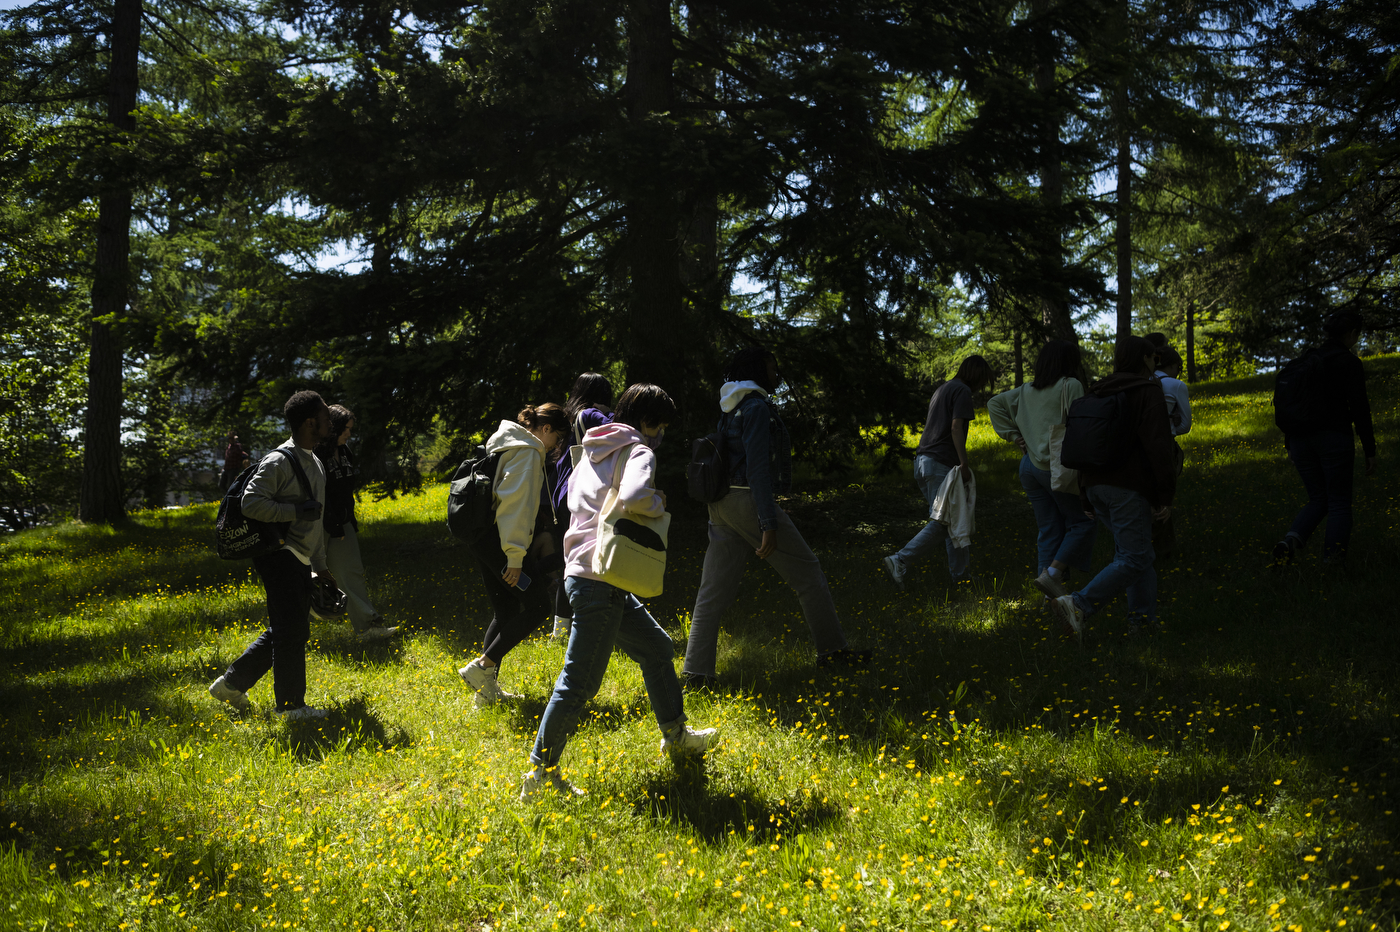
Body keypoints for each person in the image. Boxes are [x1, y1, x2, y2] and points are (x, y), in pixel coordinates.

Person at [522, 383, 720, 798]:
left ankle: (675, 736)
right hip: (603, 578)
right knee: (578, 682)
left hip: (583, 572)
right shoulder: (639, 450)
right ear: (646, 422)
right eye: (660, 426)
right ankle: (540, 774)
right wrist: (658, 503)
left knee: (656, 646)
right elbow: (634, 497)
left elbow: (573, 504)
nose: (660, 435)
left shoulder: (590, 448)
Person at [682, 347, 867, 690]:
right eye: (772, 366)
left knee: (711, 592)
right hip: (745, 500)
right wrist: (767, 523)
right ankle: (833, 652)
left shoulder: (730, 403)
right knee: (808, 573)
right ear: (758, 370)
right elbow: (758, 469)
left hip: (719, 504)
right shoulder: (754, 406)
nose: (776, 372)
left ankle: (696, 673)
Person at [209, 391, 338, 719]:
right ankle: (291, 707)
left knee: (291, 627)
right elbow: (249, 503)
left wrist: (320, 566)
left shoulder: (315, 461)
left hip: (299, 556)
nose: (330, 422)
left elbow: (316, 520)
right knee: (291, 629)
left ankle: (231, 685)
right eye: (325, 417)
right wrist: (294, 511)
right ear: (310, 422)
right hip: (278, 554)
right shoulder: (280, 460)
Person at [1050, 336, 1177, 640]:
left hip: (1095, 487)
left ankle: (1142, 623)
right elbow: (1159, 447)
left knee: (1138, 554)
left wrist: (1084, 494)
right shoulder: (1147, 391)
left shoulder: (1096, 392)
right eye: (1154, 359)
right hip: (1127, 487)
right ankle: (1078, 603)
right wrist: (1165, 496)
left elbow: (1083, 446)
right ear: (1146, 360)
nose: (1155, 365)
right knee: (1134, 557)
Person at [457, 403, 570, 708]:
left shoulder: (507, 440)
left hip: (483, 536)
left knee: (505, 612)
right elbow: (514, 508)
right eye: (557, 439)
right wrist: (516, 558)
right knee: (538, 606)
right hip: (501, 542)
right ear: (545, 429)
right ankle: (481, 667)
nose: (556, 446)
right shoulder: (528, 452)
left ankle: (485, 692)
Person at [987, 341, 1097, 598]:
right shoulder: (1070, 385)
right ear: (1068, 361)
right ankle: (1053, 576)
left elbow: (994, 403)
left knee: (1049, 529)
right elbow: (1080, 426)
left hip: (1028, 467)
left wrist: (1014, 436)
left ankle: (1050, 598)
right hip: (1055, 467)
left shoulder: (1026, 389)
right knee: (1082, 523)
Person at [1273, 311, 1377, 565]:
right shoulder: (1349, 362)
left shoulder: (1308, 359)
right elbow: (1360, 408)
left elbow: (1297, 404)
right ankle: (1332, 562)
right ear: (1351, 334)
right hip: (1334, 439)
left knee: (1318, 498)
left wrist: (1289, 443)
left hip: (1300, 441)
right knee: (1339, 501)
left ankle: (1289, 542)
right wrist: (1370, 449)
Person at [883, 355, 995, 589]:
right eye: (984, 379)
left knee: (952, 521)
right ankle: (900, 559)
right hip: (941, 462)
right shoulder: (962, 390)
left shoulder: (943, 389)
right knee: (946, 521)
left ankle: (961, 577)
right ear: (976, 375)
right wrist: (964, 464)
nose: (983, 385)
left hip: (923, 462)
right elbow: (955, 427)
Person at [315, 405, 398, 642]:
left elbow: (345, 491)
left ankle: (367, 625)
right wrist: (333, 524)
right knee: (307, 577)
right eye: (346, 429)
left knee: (351, 573)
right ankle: (292, 629)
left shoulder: (345, 452)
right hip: (318, 525)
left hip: (342, 523)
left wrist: (346, 521)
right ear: (334, 428)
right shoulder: (316, 454)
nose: (349, 434)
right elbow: (319, 494)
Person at [548, 373, 615, 644]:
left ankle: (561, 632)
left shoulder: (572, 417)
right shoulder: (590, 414)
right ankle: (578, 629)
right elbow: (621, 428)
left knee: (569, 564)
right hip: (578, 498)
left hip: (562, 497)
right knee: (583, 564)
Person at [1154, 346, 1192, 437]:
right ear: (1172, 365)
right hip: (1163, 441)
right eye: (1178, 367)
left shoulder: (1145, 379)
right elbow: (1185, 426)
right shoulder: (1177, 385)